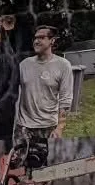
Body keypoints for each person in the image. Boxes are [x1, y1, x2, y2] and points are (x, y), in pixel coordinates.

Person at [11, 24, 75, 174]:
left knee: (46, 170)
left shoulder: (63, 65)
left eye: (41, 38)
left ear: (52, 41)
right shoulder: (24, 65)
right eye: (35, 38)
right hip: (23, 127)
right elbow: (10, 91)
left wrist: (60, 127)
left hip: (48, 127)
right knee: (19, 168)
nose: (36, 41)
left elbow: (66, 99)